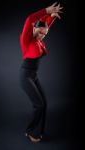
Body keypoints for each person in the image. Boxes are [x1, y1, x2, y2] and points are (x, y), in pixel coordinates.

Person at [19, 2, 63, 143]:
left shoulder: (40, 36)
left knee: (44, 103)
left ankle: (39, 132)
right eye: (39, 33)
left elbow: (44, 26)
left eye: (44, 35)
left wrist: (52, 17)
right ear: (34, 28)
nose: (41, 36)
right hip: (25, 76)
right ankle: (30, 131)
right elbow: (30, 19)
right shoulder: (26, 39)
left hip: (33, 76)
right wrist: (46, 10)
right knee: (39, 104)